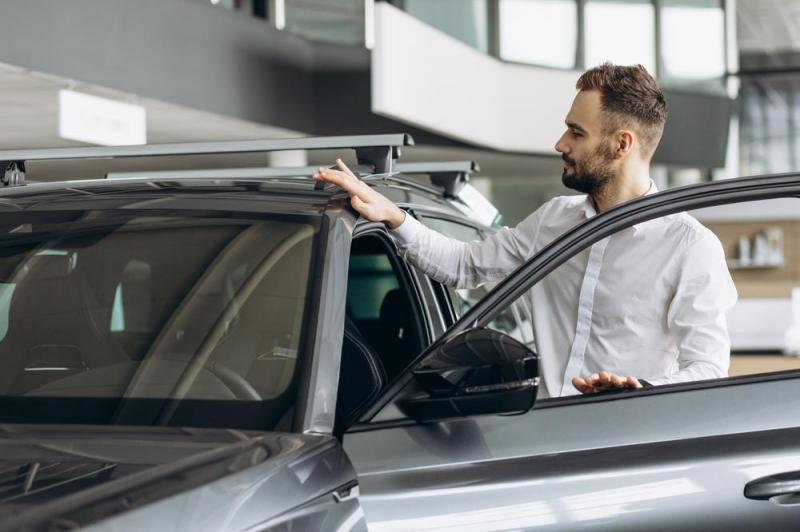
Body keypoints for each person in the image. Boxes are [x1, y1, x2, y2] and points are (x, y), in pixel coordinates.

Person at [313, 63, 737, 398]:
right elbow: (464, 266)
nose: (560, 144)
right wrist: (394, 217)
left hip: (626, 445)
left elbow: (708, 368)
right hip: (540, 444)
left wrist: (641, 391)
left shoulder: (689, 247)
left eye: (576, 132)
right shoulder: (554, 219)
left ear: (621, 144)